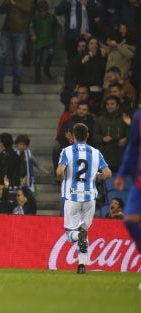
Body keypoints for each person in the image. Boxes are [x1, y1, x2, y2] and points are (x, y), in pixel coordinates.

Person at [56, 122, 111, 273]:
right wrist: (97, 176)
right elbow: (108, 174)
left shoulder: (67, 151)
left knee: (71, 235)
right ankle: (82, 265)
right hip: (89, 199)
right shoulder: (95, 152)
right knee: (84, 232)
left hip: (72, 197)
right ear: (87, 135)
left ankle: (78, 238)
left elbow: (60, 171)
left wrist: (62, 178)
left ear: (73, 136)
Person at [114, 104, 141, 287]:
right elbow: (132, 147)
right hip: (139, 182)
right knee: (129, 219)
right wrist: (122, 173)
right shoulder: (139, 117)